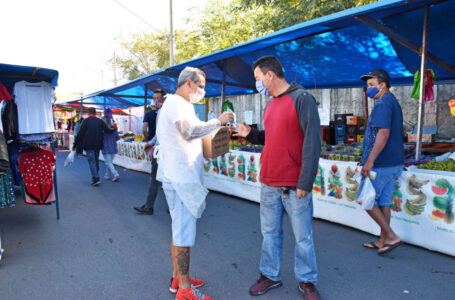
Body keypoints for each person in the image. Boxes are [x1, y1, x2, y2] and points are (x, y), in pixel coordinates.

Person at [234, 56, 321, 300]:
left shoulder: (302, 99)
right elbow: (271, 138)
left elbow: (313, 142)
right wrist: (251, 134)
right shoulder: (271, 103)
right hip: (269, 181)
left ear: (270, 75)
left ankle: (307, 280)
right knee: (270, 233)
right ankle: (270, 275)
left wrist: (305, 181)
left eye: (258, 78)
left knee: (303, 236)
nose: (257, 84)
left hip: (295, 184)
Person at [156, 67, 233, 300]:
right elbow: (189, 132)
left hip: (179, 176)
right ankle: (185, 289)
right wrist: (217, 122)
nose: (202, 90)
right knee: (183, 234)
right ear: (188, 83)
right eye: (200, 85)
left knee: (179, 231)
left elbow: (192, 133)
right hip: (180, 178)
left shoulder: (182, 105)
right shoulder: (176, 103)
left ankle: (177, 278)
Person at [359, 69, 404, 255]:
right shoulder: (392, 101)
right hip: (394, 162)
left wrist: (369, 161)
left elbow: (383, 133)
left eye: (371, 84)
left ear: (382, 84)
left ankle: (391, 236)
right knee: (383, 202)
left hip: (382, 163)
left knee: (365, 199)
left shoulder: (383, 103)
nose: (367, 88)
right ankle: (383, 240)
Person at [134, 89, 166, 214]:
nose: (156, 100)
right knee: (163, 179)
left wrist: (150, 142)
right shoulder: (159, 112)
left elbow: (160, 132)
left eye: (158, 98)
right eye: (154, 98)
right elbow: (159, 133)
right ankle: (171, 207)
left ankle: (149, 206)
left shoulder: (163, 112)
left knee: (156, 179)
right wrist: (150, 143)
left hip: (163, 151)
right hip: (160, 149)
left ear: (164, 99)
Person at [74, 107, 113, 186]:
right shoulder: (100, 121)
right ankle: (95, 177)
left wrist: (75, 144)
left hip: (88, 145)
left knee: (91, 161)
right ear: (95, 113)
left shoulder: (85, 121)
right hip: (98, 144)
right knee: (95, 160)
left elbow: (80, 134)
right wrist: (113, 128)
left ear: (89, 113)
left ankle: (96, 178)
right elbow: (107, 130)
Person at [102, 108, 120, 182]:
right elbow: (117, 138)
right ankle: (107, 175)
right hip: (113, 147)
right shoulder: (114, 128)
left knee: (108, 162)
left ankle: (116, 174)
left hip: (106, 147)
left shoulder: (102, 130)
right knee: (109, 162)